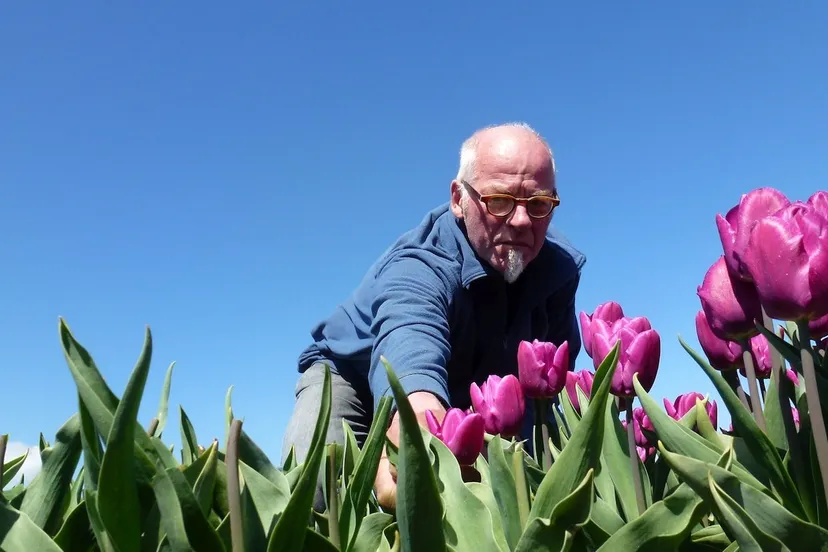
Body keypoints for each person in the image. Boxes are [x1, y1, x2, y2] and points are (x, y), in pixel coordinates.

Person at [280, 122, 586, 512]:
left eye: (539, 203)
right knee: (315, 493)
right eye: (498, 200)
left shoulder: (557, 271)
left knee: (524, 486)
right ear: (459, 199)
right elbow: (409, 349)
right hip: (353, 379)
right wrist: (416, 429)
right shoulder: (419, 266)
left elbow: (556, 385)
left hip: (473, 388)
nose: (522, 220)